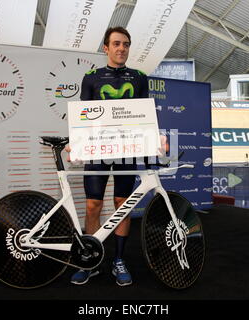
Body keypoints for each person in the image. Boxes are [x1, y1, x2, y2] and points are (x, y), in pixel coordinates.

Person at [66, 27, 168, 287]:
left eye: (125, 44)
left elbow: (145, 117)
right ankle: (90, 258)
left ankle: (118, 259)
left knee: (123, 204)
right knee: (93, 206)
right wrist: (75, 143)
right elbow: (83, 119)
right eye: (116, 44)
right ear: (106, 48)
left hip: (127, 152)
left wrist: (156, 138)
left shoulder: (139, 77)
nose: (121, 48)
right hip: (97, 152)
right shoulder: (91, 77)